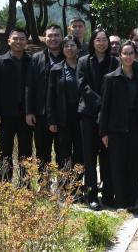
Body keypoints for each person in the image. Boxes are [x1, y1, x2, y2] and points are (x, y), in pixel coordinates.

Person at [77, 28, 119, 210]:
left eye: (105, 40)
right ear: (93, 42)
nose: (102, 43)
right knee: (89, 156)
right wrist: (101, 103)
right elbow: (81, 85)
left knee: (108, 156)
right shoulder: (83, 61)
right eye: (98, 40)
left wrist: (107, 106)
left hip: (109, 117)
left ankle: (109, 195)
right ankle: (92, 195)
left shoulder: (115, 61)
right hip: (88, 115)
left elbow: (117, 85)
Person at [99, 41, 138, 214]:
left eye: (131, 53)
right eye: (125, 53)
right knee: (117, 167)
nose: (128, 56)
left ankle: (131, 202)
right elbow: (105, 107)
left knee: (133, 166)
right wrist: (103, 132)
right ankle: (120, 203)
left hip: (135, 127)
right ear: (119, 56)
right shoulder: (111, 78)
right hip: (115, 128)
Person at [0, 28, 32, 183]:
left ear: (26, 42)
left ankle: (25, 184)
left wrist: (31, 111)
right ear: (8, 41)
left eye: (22, 39)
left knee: (26, 151)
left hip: (26, 115)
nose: (19, 41)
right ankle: (4, 183)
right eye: (15, 38)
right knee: (5, 151)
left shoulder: (31, 61)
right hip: (6, 115)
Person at [25, 24, 64, 177]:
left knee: (63, 151)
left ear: (62, 37)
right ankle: (45, 184)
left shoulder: (69, 56)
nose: (53, 38)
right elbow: (29, 86)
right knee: (42, 152)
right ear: (45, 38)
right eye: (50, 35)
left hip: (63, 113)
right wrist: (29, 112)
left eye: (56, 35)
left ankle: (64, 186)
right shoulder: (36, 58)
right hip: (41, 114)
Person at [46, 35, 83, 173]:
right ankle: (65, 187)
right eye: (66, 46)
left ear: (78, 48)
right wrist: (51, 120)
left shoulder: (84, 66)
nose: (69, 48)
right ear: (62, 49)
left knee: (80, 152)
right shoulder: (55, 69)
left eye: (72, 45)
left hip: (81, 115)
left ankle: (78, 186)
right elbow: (51, 96)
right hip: (63, 116)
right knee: (63, 152)